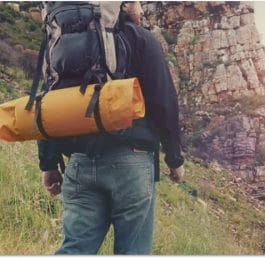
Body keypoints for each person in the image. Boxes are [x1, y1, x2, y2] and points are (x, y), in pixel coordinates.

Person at [38, 1, 185, 254]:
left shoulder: (60, 43)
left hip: (80, 161)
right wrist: (175, 159)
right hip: (131, 162)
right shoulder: (141, 39)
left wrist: (48, 163)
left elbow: (48, 104)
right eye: (137, 3)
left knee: (75, 248)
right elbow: (164, 102)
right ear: (123, 5)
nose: (142, 10)